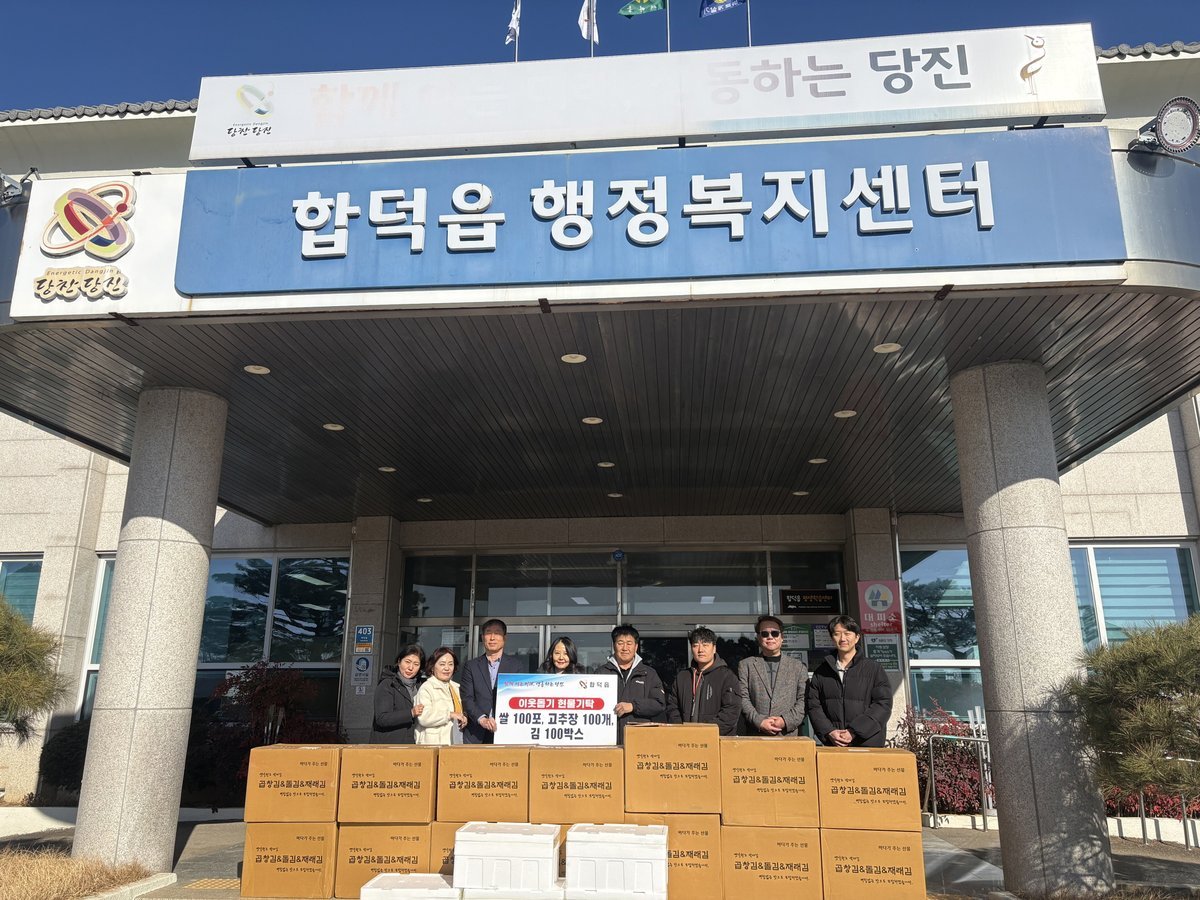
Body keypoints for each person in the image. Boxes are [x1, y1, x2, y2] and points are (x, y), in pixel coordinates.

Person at [806, 615, 893, 747]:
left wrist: (854, 731)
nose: (842, 639)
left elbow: (883, 704)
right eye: (837, 634)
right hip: (835, 743)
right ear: (832, 638)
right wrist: (829, 731)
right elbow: (814, 705)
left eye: (847, 633)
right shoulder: (822, 672)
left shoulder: (873, 669)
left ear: (857, 637)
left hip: (867, 743)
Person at [459, 618, 527, 743]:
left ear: (504, 638)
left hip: (506, 730)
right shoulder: (471, 666)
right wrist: (482, 719)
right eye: (488, 633)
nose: (492, 637)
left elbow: (520, 697)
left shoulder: (516, 666)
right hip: (476, 731)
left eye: (497, 633)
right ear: (482, 637)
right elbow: (467, 697)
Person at [739, 615, 808, 737]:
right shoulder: (746, 665)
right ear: (758, 638)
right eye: (765, 634)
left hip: (788, 735)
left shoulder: (798, 667)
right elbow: (743, 698)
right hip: (756, 735)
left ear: (782, 637)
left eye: (775, 633)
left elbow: (804, 700)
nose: (770, 637)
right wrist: (759, 721)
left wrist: (785, 721)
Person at [666, 626, 741, 735]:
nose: (700, 650)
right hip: (685, 738)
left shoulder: (727, 677)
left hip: (717, 739)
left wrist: (705, 733)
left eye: (705, 645)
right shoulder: (682, 677)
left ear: (714, 648)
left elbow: (731, 712)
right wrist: (681, 730)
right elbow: (672, 707)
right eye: (695, 645)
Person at [598, 625, 666, 744]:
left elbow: (659, 703)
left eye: (629, 643)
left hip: (640, 740)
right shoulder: (601, 672)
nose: (625, 648)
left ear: (636, 646)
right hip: (608, 739)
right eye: (620, 643)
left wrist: (634, 706)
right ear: (614, 645)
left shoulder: (648, 673)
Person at [372, 643, 426, 743]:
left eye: (416, 664)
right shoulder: (387, 684)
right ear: (399, 661)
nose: (411, 667)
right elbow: (382, 718)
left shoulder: (421, 687)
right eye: (407, 662)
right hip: (389, 745)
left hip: (413, 743)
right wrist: (410, 713)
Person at [414, 646, 468, 745]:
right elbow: (424, 717)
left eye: (450, 664)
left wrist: (463, 718)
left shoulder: (456, 688)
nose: (447, 668)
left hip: (453, 743)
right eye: (442, 664)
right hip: (432, 744)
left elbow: (459, 712)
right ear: (432, 667)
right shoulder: (426, 688)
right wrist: (449, 715)